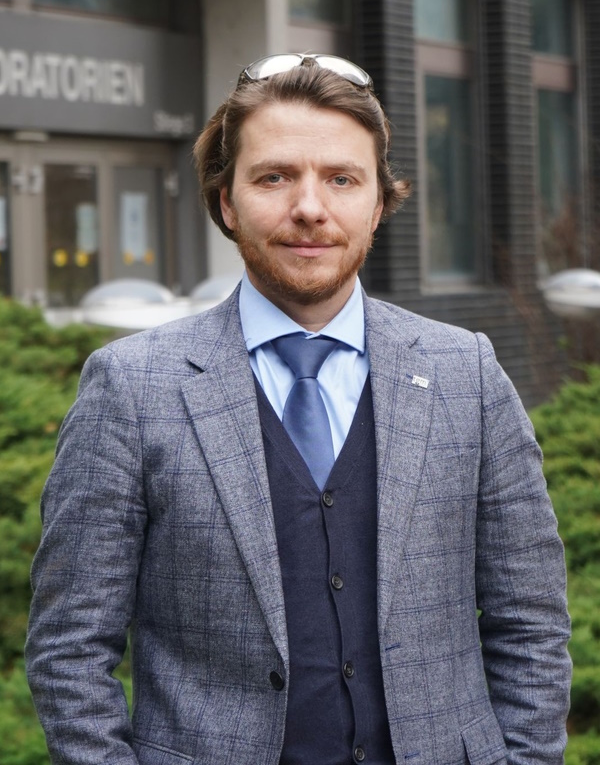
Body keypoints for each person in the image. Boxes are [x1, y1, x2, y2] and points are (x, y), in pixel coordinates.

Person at [26, 54, 571, 765]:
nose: (310, 207)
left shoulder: (465, 373)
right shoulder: (131, 387)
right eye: (274, 177)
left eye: (342, 179)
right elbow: (70, 648)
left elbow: (530, 623)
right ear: (227, 202)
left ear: (378, 205)